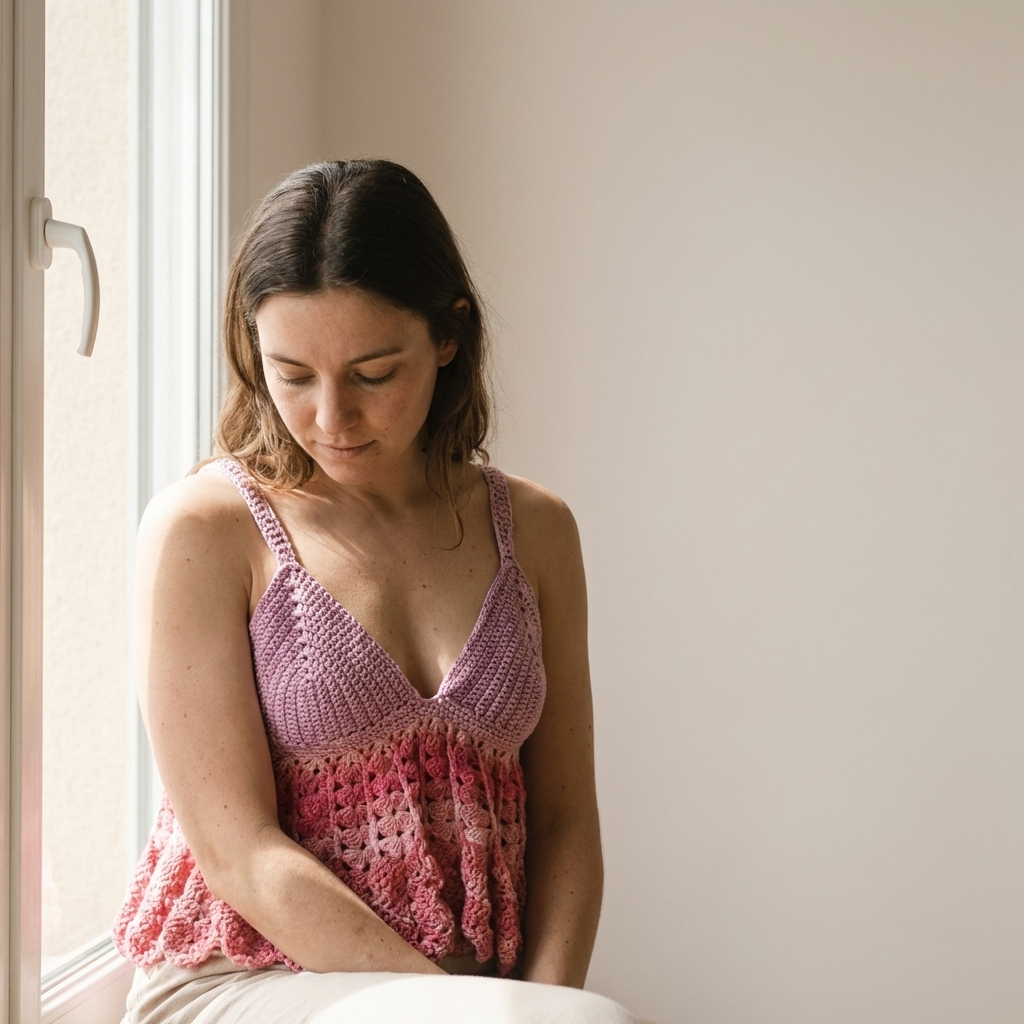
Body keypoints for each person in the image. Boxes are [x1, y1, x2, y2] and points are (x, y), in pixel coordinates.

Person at [114, 160, 635, 1024]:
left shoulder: (537, 532)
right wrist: (468, 1015)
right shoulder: (207, 531)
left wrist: (537, 1009)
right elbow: (240, 853)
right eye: (292, 375)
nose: (331, 418)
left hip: (471, 1002)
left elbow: (567, 825)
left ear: (448, 337)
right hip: (244, 978)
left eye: (373, 373)